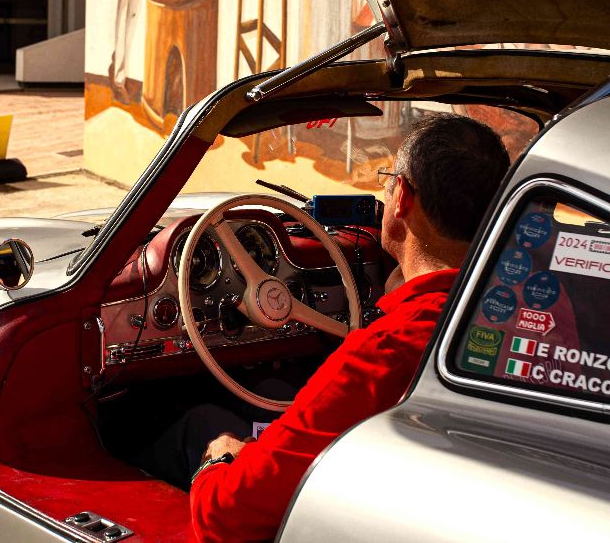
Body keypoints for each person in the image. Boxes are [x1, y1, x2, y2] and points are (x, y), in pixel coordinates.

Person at [150, 114, 510, 542]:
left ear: (403, 200)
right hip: (447, 499)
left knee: (203, 423)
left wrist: (220, 456)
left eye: (389, 180)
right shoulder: (527, 308)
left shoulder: (388, 350)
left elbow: (225, 516)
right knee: (274, 389)